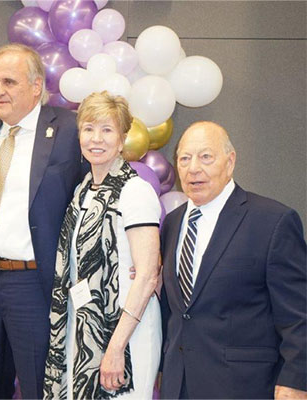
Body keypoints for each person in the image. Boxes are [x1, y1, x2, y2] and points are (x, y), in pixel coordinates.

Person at [0, 43, 85, 399]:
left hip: (34, 283)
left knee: (37, 387)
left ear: (36, 86)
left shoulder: (69, 129)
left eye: (9, 82)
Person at [160, 121, 306, 399]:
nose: (193, 169)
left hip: (244, 386)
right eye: (184, 158)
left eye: (206, 157)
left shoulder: (272, 221)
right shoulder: (173, 223)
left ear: (230, 161)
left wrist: (296, 381)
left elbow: (299, 314)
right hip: (179, 385)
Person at [44, 91, 162, 399]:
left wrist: (115, 347)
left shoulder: (135, 191)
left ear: (123, 139)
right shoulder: (83, 191)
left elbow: (148, 275)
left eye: (107, 130)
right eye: (89, 129)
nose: (96, 138)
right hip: (83, 332)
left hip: (124, 335)